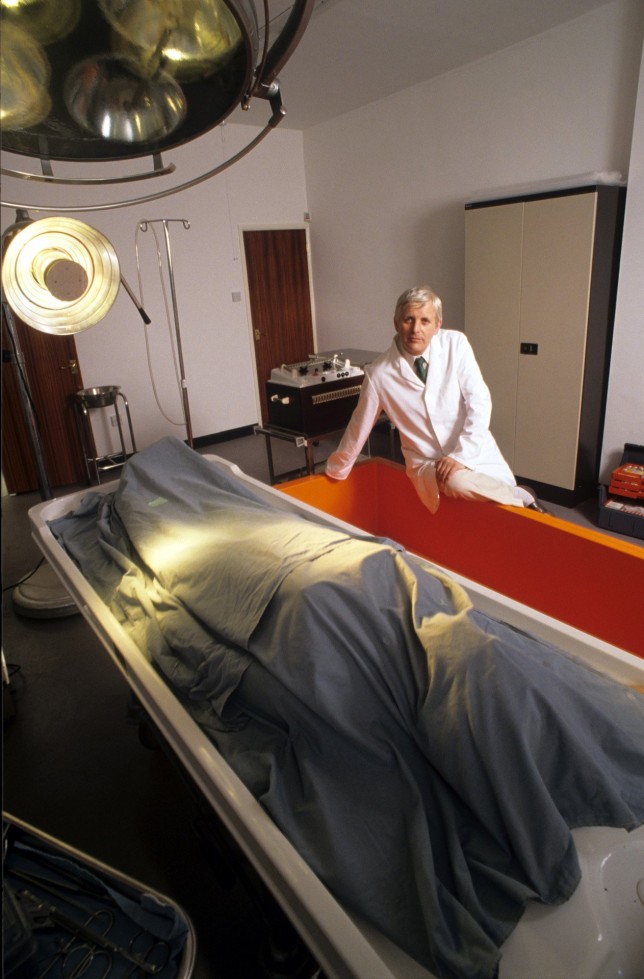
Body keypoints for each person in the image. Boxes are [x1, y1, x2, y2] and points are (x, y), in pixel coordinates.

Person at [326, 285, 545, 513]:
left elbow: (479, 402)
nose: (415, 330)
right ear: (396, 323)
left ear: (437, 325)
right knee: (456, 483)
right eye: (408, 320)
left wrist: (461, 456)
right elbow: (359, 425)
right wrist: (335, 471)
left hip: (473, 448)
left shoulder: (456, 345)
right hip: (427, 462)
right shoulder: (379, 373)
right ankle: (522, 495)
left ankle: (515, 492)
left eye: (424, 321)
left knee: (499, 509)